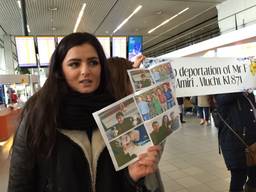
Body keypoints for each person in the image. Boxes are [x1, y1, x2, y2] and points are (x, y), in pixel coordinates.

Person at [8, 32, 160, 192]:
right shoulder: (39, 117)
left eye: (93, 62)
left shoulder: (116, 113)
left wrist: (132, 178)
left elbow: (120, 182)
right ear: (60, 70)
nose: (85, 71)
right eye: (74, 64)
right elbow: (19, 185)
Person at [107, 56, 165, 192]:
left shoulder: (139, 111)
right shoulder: (105, 122)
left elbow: (158, 147)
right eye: (131, 79)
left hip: (149, 184)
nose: (135, 84)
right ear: (120, 83)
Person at [214, 92, 256, 192]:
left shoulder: (249, 94)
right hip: (234, 142)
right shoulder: (222, 95)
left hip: (250, 141)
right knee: (239, 177)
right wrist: (241, 88)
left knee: (253, 174)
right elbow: (223, 99)